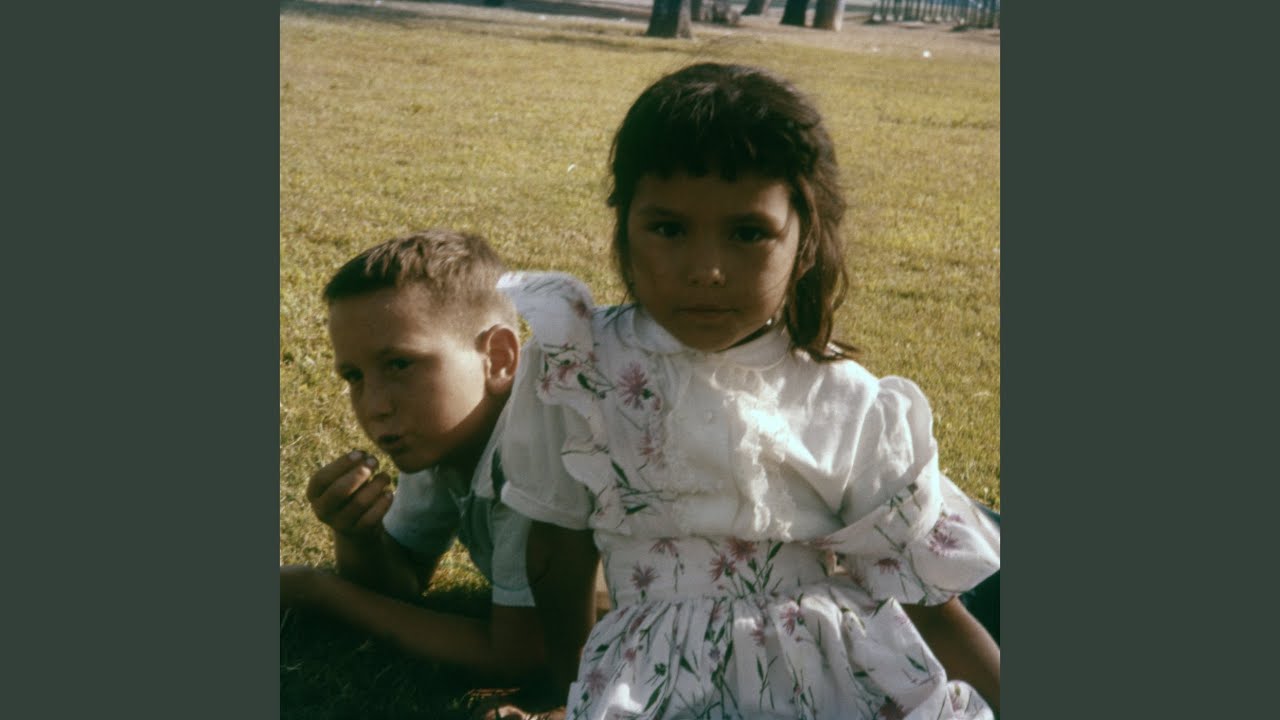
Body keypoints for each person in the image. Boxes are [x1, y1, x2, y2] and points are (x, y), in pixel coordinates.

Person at [494, 63, 1001, 719]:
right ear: (624, 225)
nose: (706, 270)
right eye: (668, 228)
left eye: (748, 233)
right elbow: (558, 546)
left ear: (805, 237)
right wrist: (572, 688)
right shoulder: (579, 369)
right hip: (652, 683)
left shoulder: (848, 400)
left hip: (831, 677)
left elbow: (928, 601)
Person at [279, 229, 559, 686]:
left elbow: (522, 655)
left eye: (399, 365)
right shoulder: (442, 436)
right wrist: (359, 536)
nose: (374, 405)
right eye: (354, 376)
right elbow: (402, 583)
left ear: (499, 358)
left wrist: (322, 592)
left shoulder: (535, 455)